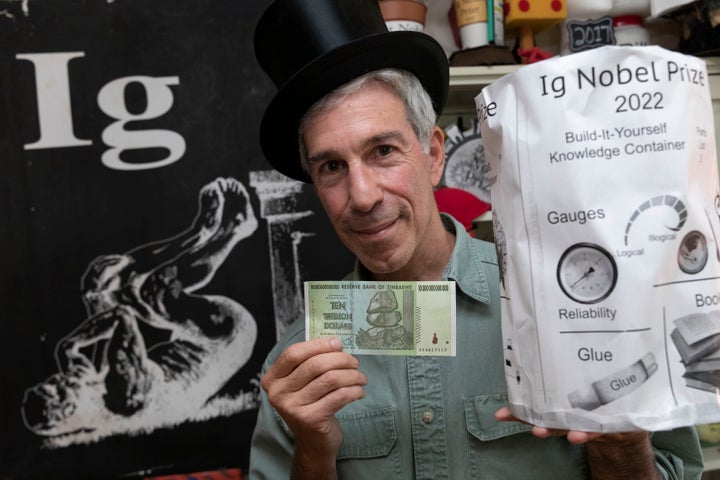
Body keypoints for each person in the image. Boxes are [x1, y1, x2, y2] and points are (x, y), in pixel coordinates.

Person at [250, 0, 704, 478]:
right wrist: (313, 450)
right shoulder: (299, 368)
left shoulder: (575, 305)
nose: (361, 196)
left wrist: (621, 441)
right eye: (331, 167)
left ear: (432, 154)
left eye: (383, 150)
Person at [22, 177, 259, 443]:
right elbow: (121, 318)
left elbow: (101, 358)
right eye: (58, 388)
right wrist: (69, 343)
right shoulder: (125, 396)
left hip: (194, 340)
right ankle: (229, 229)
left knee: (102, 285)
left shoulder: (88, 399)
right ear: (67, 409)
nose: (58, 379)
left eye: (51, 382)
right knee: (154, 292)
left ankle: (202, 233)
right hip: (227, 335)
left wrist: (96, 303)